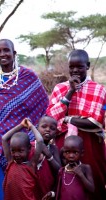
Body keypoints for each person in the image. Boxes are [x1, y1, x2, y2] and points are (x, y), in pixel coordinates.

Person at [0, 38, 49, 199]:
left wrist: (38, 138)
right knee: (1, 188)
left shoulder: (28, 77)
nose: (2, 54)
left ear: (14, 53)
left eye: (6, 50)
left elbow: (43, 106)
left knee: (25, 188)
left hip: (26, 143)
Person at [46, 49, 106, 199]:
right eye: (71, 67)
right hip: (64, 144)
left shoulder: (99, 89)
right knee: (63, 181)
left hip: (90, 144)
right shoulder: (60, 88)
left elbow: (95, 123)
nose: (75, 71)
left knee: (94, 182)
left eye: (79, 67)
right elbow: (52, 118)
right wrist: (70, 92)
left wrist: (67, 118)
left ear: (88, 66)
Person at [1, 118, 44, 200]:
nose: (16, 154)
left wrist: (31, 126)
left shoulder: (31, 165)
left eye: (20, 151)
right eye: (13, 151)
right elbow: (4, 138)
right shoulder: (11, 161)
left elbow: (40, 141)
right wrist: (21, 125)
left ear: (29, 149)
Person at [43, 135, 94, 200]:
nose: (71, 156)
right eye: (67, 152)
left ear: (82, 153)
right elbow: (58, 189)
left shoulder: (85, 168)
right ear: (64, 153)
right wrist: (52, 193)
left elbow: (92, 189)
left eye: (75, 152)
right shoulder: (62, 171)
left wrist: (81, 175)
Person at [33, 116, 61, 199]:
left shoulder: (53, 149)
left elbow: (59, 170)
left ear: (55, 133)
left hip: (46, 189)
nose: (48, 130)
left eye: (52, 128)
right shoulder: (29, 146)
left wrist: (49, 155)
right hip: (30, 189)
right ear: (37, 128)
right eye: (44, 126)